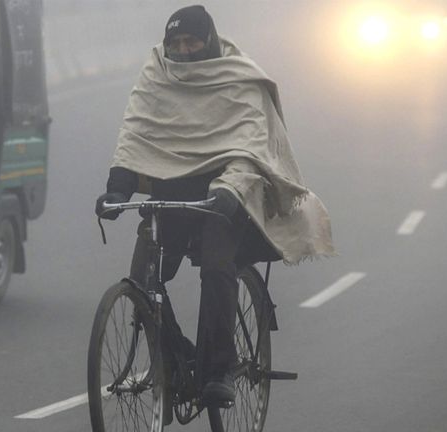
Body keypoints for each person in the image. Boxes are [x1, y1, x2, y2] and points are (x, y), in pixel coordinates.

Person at [95, 5, 335, 409]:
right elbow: (136, 133)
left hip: (225, 195)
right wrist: (117, 190)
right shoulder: (157, 73)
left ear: (210, 41)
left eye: (192, 41)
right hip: (173, 190)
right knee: (141, 281)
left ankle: (219, 369)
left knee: (216, 264)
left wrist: (229, 189)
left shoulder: (239, 78)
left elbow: (250, 145)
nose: (183, 50)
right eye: (176, 43)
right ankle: (173, 359)